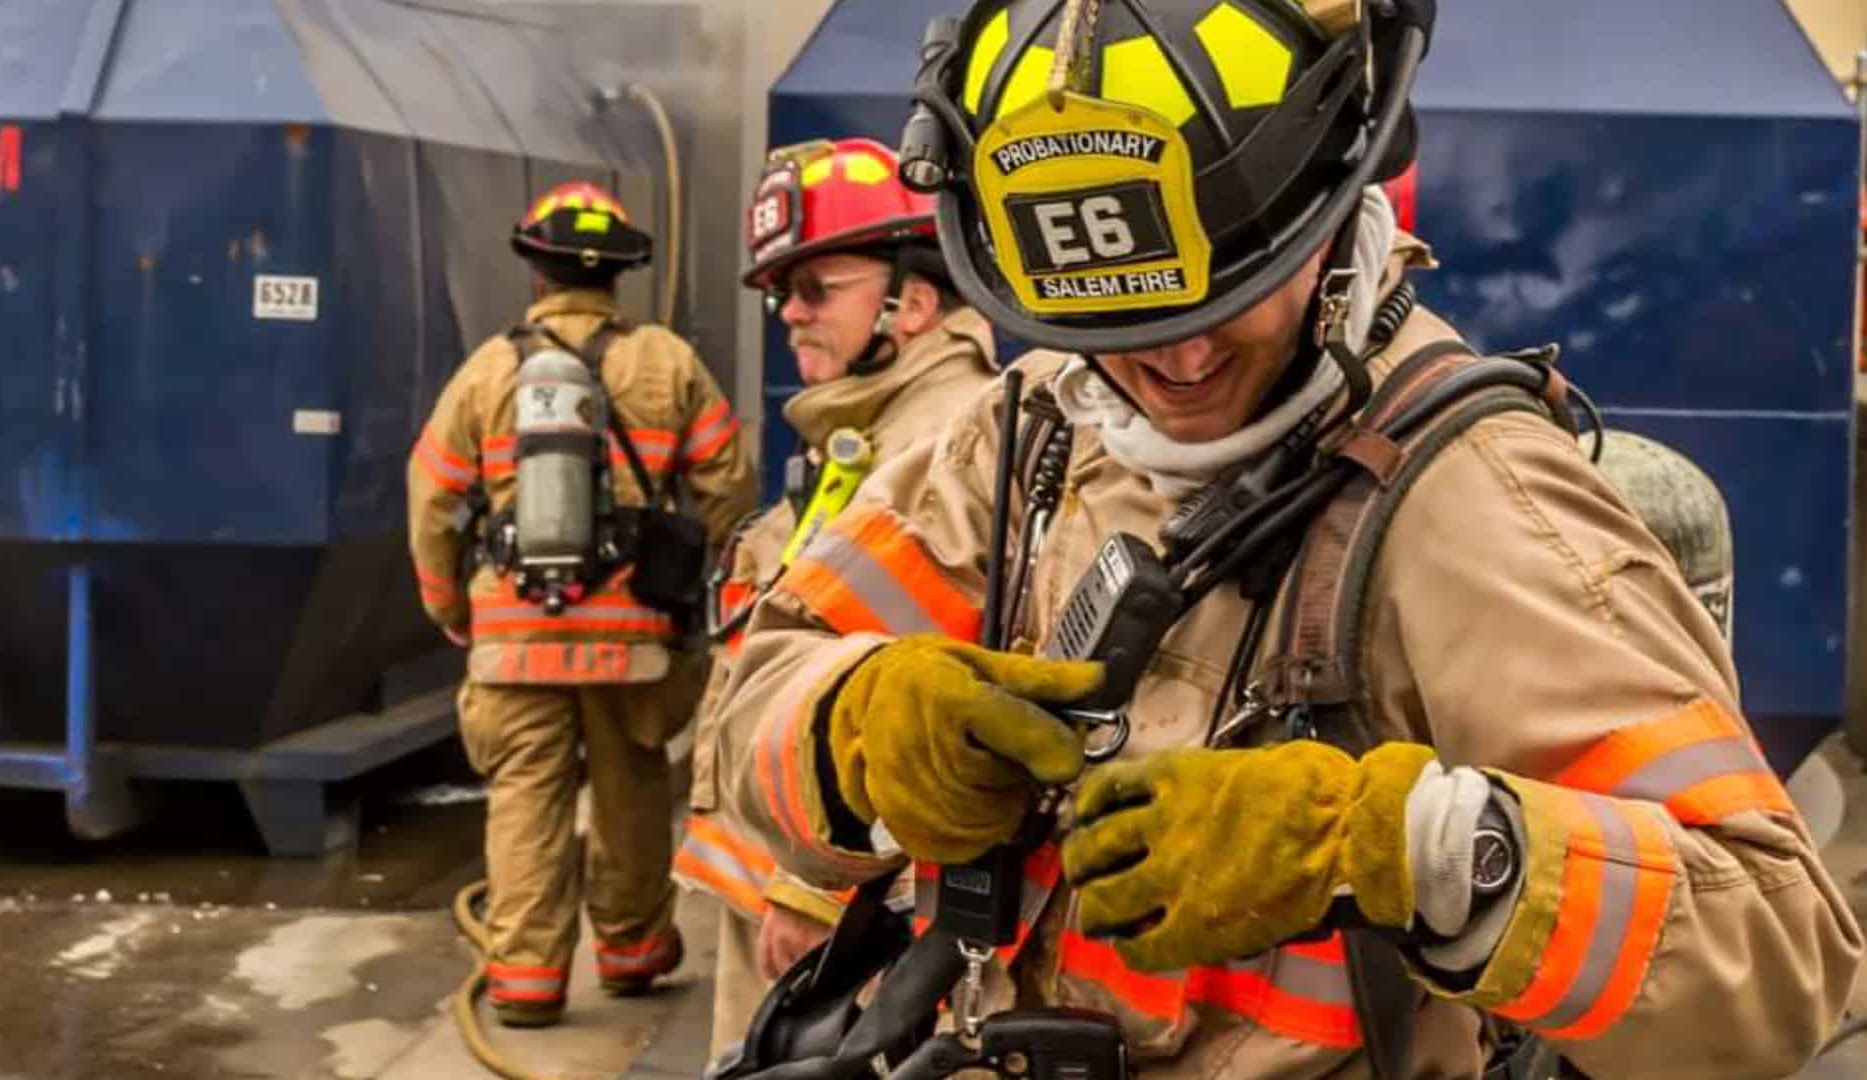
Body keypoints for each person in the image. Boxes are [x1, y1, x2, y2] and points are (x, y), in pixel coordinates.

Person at [713, 1, 1863, 1075]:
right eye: (1117, 323)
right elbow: (748, 710)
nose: (1174, 364)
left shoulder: (1469, 497)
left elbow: (1777, 954)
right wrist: (850, 729)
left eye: (1225, 300)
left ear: (1327, 210)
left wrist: (1404, 847)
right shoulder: (1028, 433)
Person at [671, 137, 998, 1063]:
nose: (791, 314)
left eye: (817, 288)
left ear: (917, 301)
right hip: (790, 866)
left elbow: (906, 666)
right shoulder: (866, 430)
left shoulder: (938, 443)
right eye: (782, 292)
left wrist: (817, 890)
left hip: (838, 894)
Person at [407, 181, 754, 1028]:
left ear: (536, 273)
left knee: (526, 794)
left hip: (512, 637)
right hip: (631, 637)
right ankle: (633, 952)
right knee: (631, 786)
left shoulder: (489, 370)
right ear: (616, 279)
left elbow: (431, 500)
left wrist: (453, 606)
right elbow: (731, 489)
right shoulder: (666, 361)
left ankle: (525, 979)